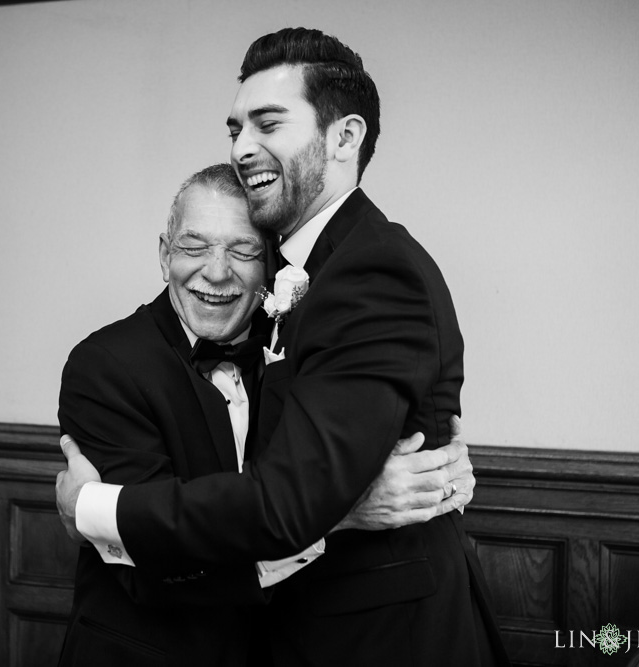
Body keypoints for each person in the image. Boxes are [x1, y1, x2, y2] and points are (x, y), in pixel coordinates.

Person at [57, 163, 475, 666]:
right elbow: (147, 563)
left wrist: (441, 477)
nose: (216, 271)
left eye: (243, 250)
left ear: (272, 264)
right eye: (193, 247)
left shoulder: (299, 352)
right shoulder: (104, 366)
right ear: (165, 256)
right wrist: (336, 514)